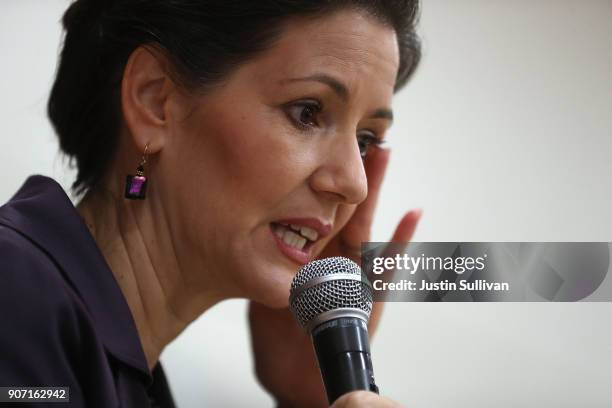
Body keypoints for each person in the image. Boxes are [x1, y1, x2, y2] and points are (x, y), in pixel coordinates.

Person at [0, 0, 422, 406]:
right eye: (307, 112)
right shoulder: (15, 293)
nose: (353, 183)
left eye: (365, 141)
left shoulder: (122, 373)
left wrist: (307, 400)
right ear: (155, 100)